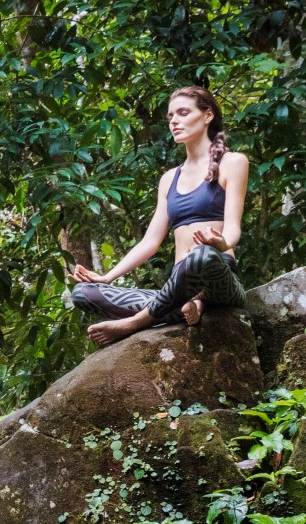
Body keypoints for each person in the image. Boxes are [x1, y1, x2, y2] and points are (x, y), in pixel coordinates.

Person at [69, 86, 251, 344]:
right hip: (179, 286)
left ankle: (136, 322)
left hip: (218, 278)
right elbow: (150, 242)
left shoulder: (233, 162)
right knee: (84, 293)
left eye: (183, 113)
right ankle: (188, 306)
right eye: (170, 117)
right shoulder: (169, 179)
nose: (174, 121)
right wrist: (107, 277)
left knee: (201, 255)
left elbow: (233, 226)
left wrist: (223, 243)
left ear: (207, 115)